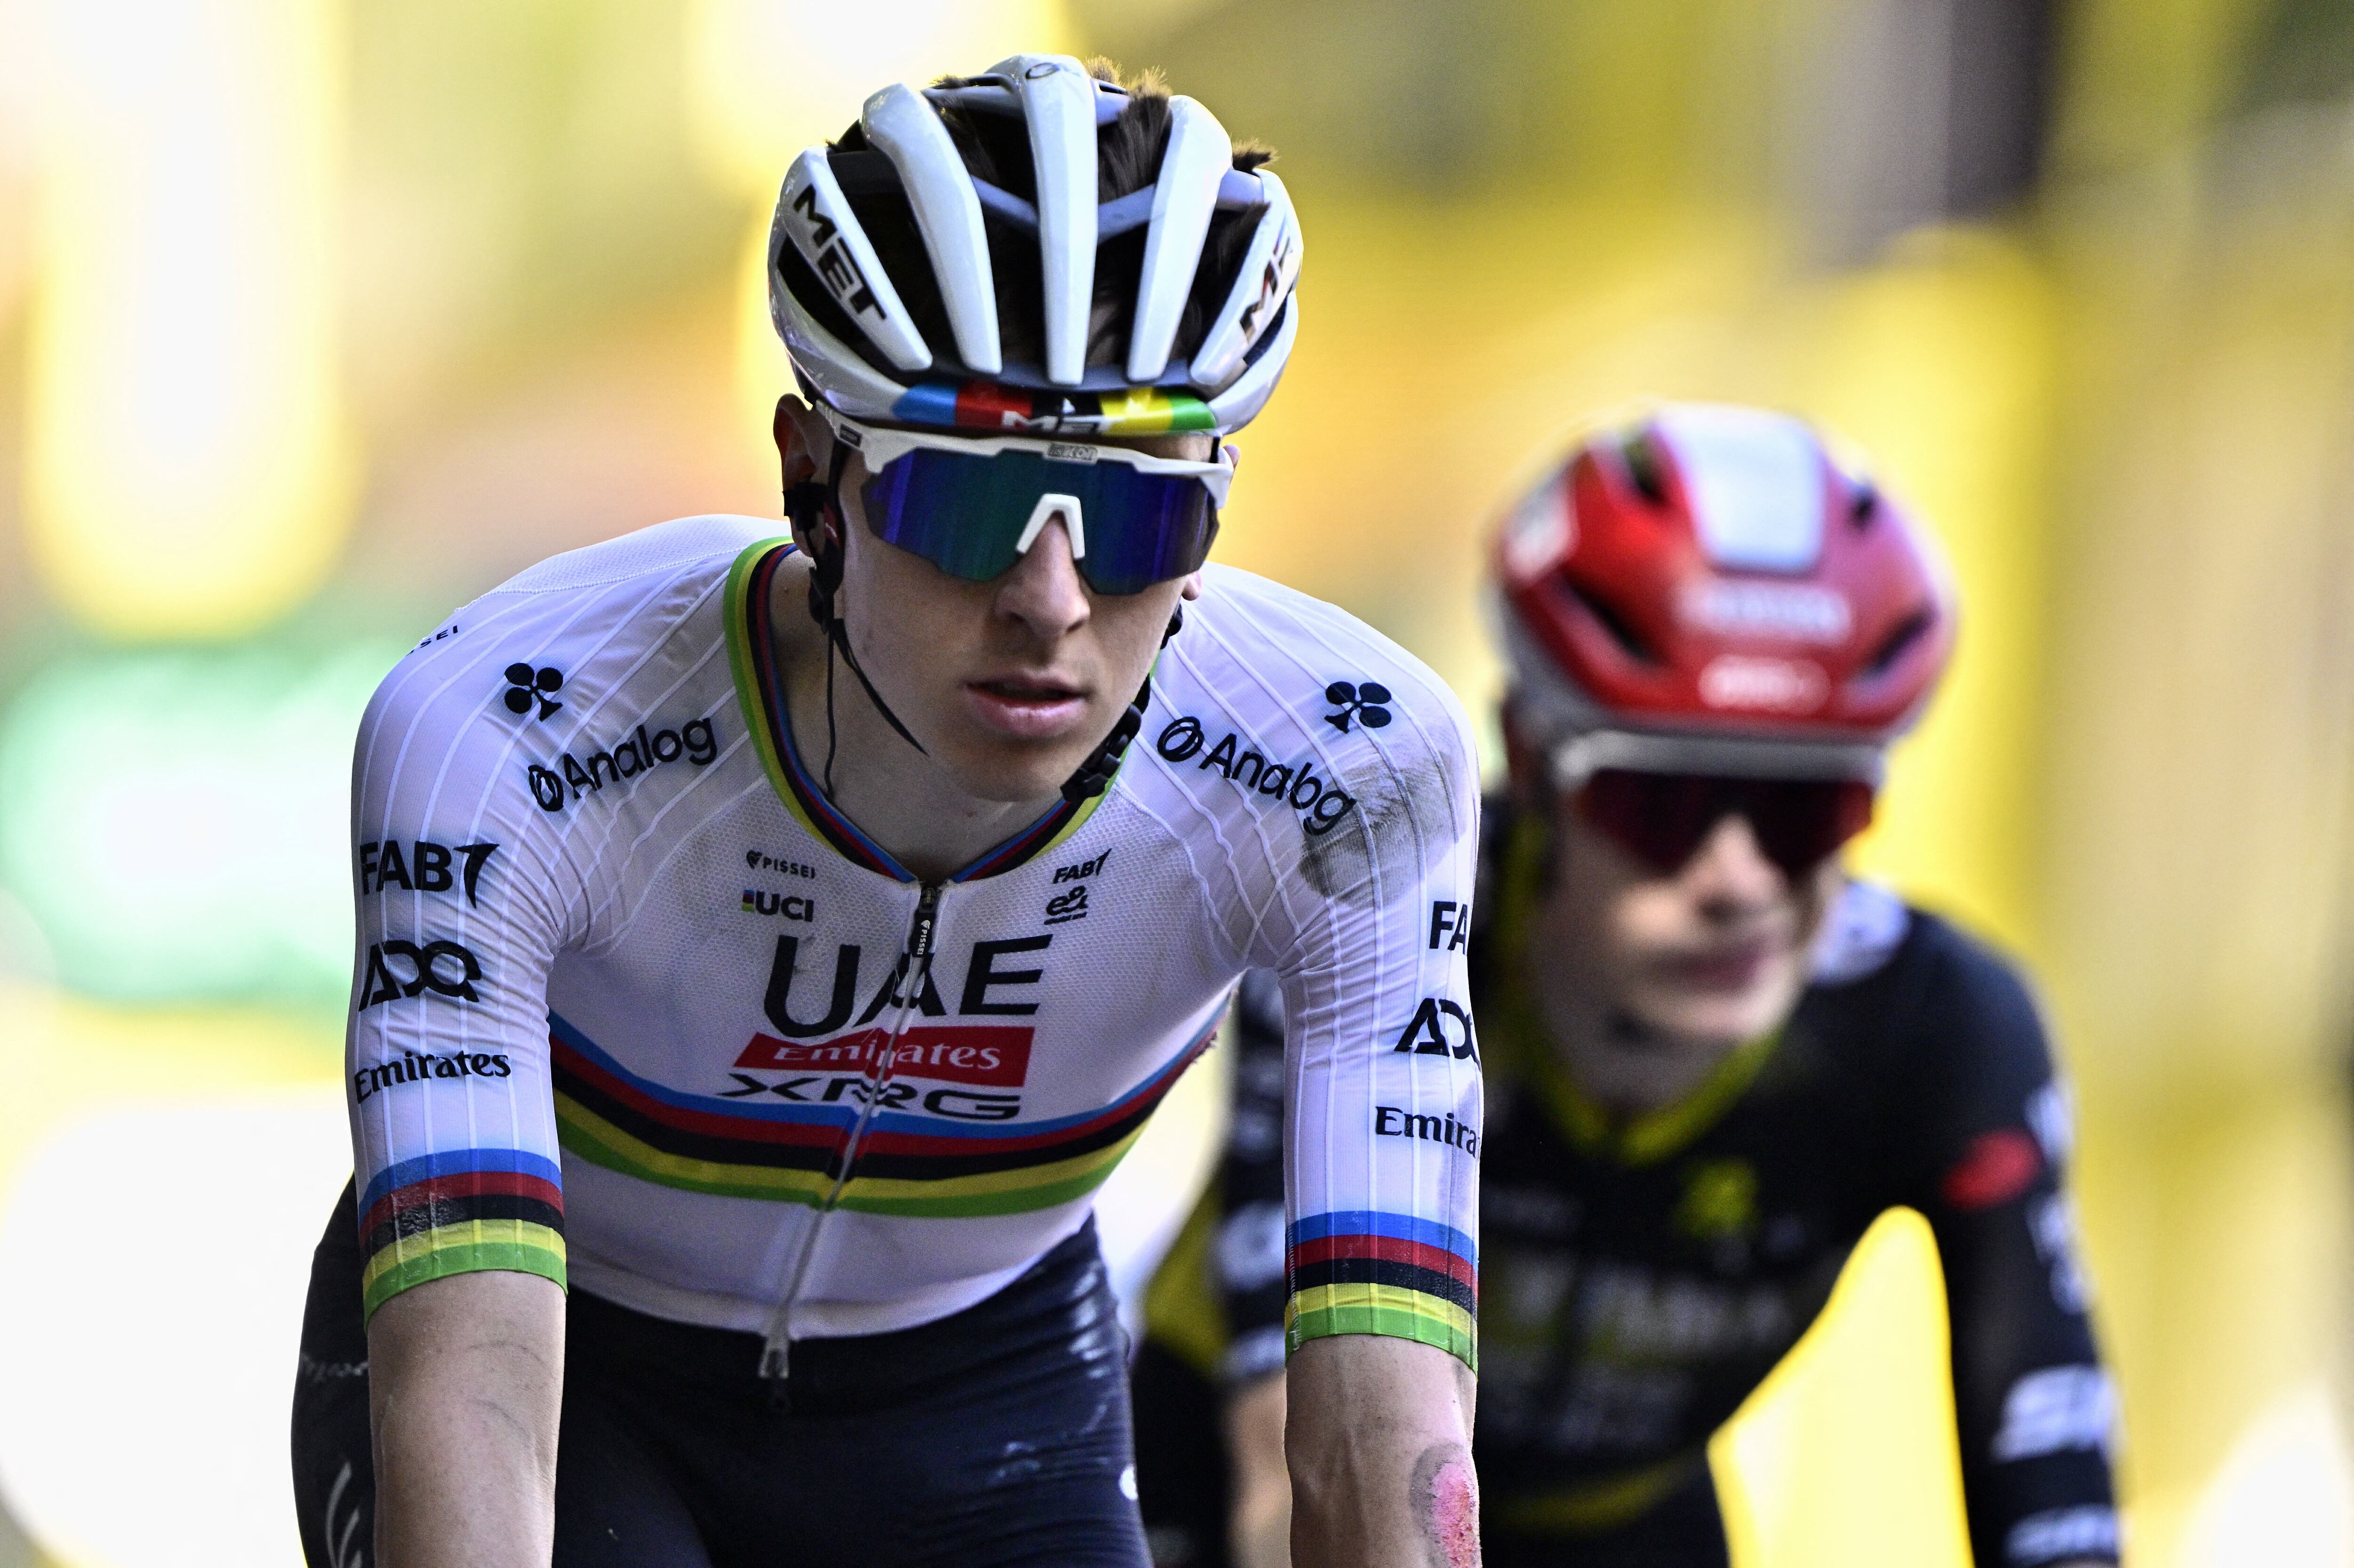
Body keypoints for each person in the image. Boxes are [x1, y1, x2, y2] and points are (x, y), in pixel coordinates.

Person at [290, 56, 1485, 1568]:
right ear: (813, 477)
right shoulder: (513, 733)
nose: (1050, 604)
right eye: (972, 503)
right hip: (575, 1372)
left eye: (1135, 513)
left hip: (977, 1388)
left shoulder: (1353, 769)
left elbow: (1390, 1445)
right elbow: (474, 1389)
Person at [1131, 403, 2119, 1568]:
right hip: (1249, 1465)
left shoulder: (1945, 1029)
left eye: (1810, 811)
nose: (1739, 879)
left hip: (1625, 1520)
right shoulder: (1380, 913)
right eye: (1666, 807)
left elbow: (2052, 1482)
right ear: (1535, 764)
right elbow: (1281, 1466)